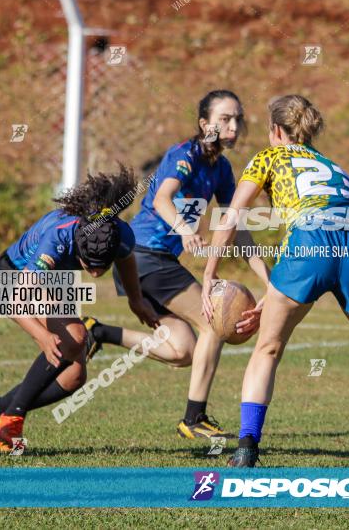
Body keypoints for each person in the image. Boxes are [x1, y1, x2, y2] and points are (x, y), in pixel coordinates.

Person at [201, 94, 349, 467]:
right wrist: (276, 291)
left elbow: (232, 215)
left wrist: (209, 273)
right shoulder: (336, 167)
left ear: (276, 130)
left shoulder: (268, 156)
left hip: (310, 244)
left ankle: (246, 447)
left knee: (268, 348)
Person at [85, 90, 268, 440]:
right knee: (213, 320)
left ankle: (100, 332)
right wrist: (185, 230)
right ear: (205, 124)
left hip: (156, 261)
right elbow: (161, 198)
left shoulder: (223, 169)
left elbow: (236, 228)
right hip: (142, 255)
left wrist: (267, 279)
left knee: (181, 350)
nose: (234, 125)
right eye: (225, 118)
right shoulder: (185, 154)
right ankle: (194, 418)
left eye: (238, 119)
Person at [0, 166, 159, 451]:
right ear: (77, 247)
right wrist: (42, 337)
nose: (95, 272)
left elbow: (127, 261)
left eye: (102, 267)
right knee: (75, 336)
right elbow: (16, 297)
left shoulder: (116, 231)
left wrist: (136, 300)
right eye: (88, 264)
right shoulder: (57, 238)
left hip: (50, 282)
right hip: (10, 279)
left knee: (74, 376)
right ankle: (11, 419)